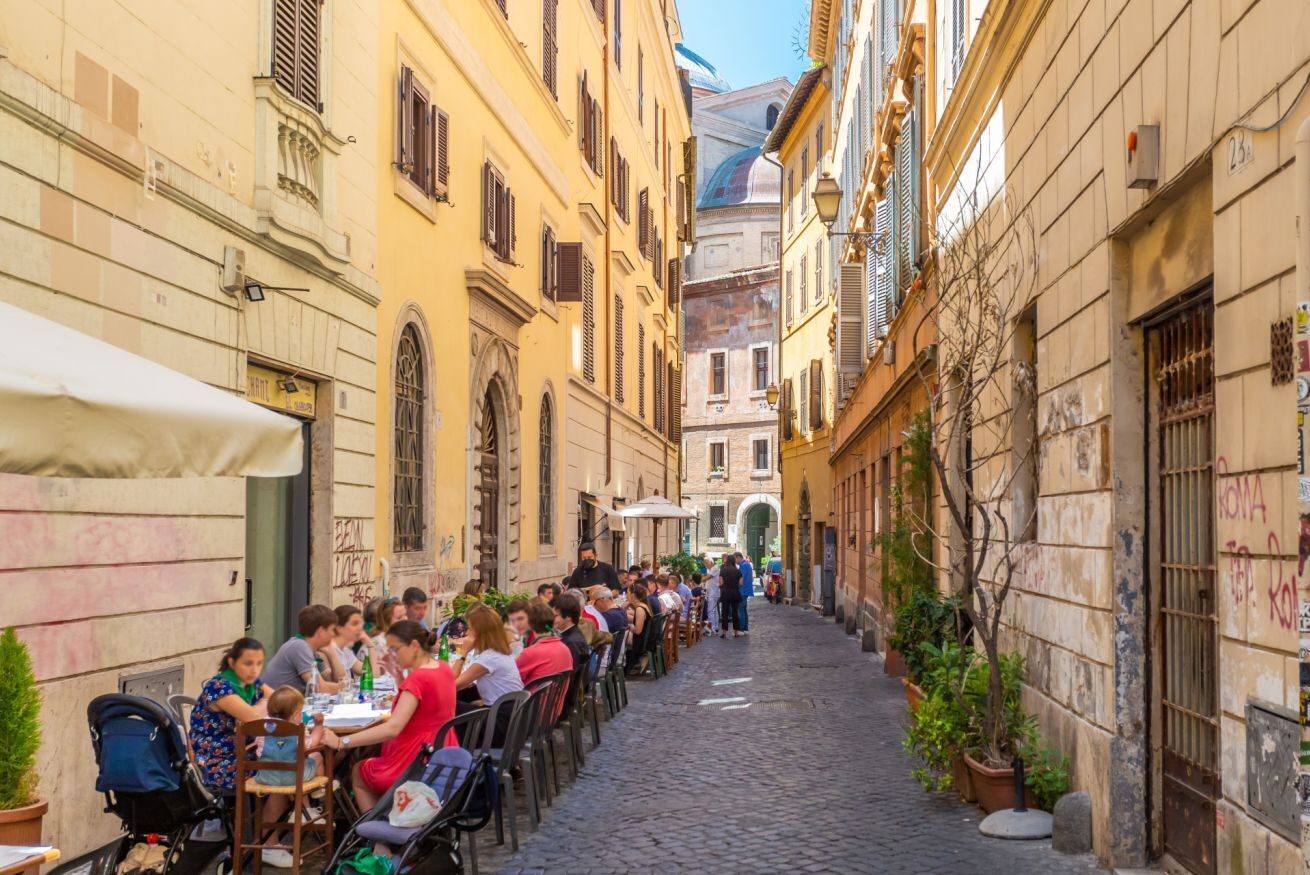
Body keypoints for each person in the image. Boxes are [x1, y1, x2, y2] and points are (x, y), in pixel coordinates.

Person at [322, 621, 457, 812]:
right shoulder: (443, 667)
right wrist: (398, 676)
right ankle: (393, 816)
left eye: (395, 649)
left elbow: (393, 728)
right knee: (370, 757)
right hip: (442, 756)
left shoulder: (418, 679)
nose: (392, 654)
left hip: (413, 764)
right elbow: (425, 706)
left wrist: (341, 742)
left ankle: (377, 829)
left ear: (414, 646)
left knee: (358, 772)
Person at [255, 686, 335, 867]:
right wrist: (318, 727)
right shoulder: (296, 729)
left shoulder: (262, 727)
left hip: (266, 776)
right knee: (316, 756)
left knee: (296, 763)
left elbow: (259, 750)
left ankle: (301, 810)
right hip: (293, 777)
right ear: (297, 714)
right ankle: (317, 791)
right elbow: (311, 745)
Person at [190, 638, 275, 791]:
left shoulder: (251, 683)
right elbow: (253, 718)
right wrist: (265, 704)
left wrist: (265, 704)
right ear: (232, 662)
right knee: (280, 768)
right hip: (213, 760)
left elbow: (279, 699)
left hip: (244, 750)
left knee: (287, 760)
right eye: (248, 663)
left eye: (259, 663)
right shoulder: (219, 687)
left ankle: (288, 804)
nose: (255, 670)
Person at [450, 608, 524, 745]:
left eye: (469, 629)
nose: (466, 633)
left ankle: (451, 746)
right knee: (464, 696)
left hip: (501, 724)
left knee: (450, 703)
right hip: (513, 717)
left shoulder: (489, 659)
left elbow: (452, 685)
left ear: (479, 633)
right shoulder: (499, 652)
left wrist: (463, 652)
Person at [263, 605, 341, 693]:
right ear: (321, 631)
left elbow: (331, 679)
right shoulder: (300, 647)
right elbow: (320, 688)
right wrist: (346, 687)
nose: (334, 634)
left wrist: (332, 654)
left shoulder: (310, 650)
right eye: (332, 630)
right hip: (273, 701)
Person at [515, 600, 574, 686]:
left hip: (532, 694)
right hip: (558, 694)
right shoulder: (565, 649)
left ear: (530, 624)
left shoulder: (530, 653)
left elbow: (512, 677)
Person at [323, 605, 367, 682]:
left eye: (360, 623)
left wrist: (370, 645)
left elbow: (369, 672)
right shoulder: (325, 649)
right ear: (339, 628)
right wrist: (352, 681)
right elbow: (340, 681)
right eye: (355, 624)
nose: (360, 628)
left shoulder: (345, 650)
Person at [551, 594, 590, 670]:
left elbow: (568, 672)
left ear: (568, 617)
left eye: (555, 616)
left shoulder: (569, 642)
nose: (551, 619)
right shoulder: (573, 635)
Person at [624, 582, 654, 672]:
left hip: (642, 641)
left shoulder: (640, 609)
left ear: (633, 595)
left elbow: (637, 631)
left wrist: (627, 625)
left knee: (620, 635)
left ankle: (622, 663)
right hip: (646, 637)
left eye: (627, 592)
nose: (626, 595)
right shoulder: (643, 605)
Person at [718, 554, 743, 638]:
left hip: (725, 593)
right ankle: (736, 632)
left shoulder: (723, 570)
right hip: (735, 593)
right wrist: (735, 585)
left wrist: (723, 586)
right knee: (735, 612)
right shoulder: (738, 571)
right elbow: (741, 583)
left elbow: (721, 583)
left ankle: (724, 633)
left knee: (725, 613)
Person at [736, 552, 754, 635]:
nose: (735, 561)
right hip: (746, 590)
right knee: (743, 609)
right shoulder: (747, 564)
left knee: (740, 610)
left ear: (738, 557)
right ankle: (745, 628)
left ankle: (741, 629)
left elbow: (741, 580)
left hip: (742, 590)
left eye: (735, 559)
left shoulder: (743, 566)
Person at [704, 557, 721, 632]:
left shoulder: (714, 568)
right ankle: (715, 626)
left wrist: (698, 579)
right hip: (713, 592)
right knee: (714, 610)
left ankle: (712, 627)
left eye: (706, 563)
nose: (705, 565)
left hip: (713, 592)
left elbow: (707, 577)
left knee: (710, 610)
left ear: (711, 562)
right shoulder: (712, 569)